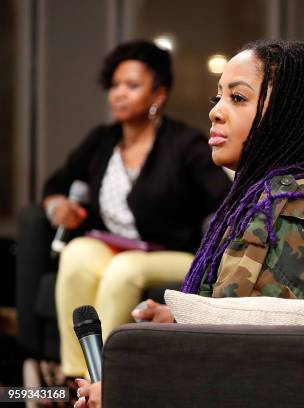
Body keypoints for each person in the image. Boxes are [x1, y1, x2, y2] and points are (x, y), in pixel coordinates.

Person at [74, 39, 304, 407]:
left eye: (237, 99)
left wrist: (126, 391)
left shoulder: (285, 214)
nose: (216, 112)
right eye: (218, 98)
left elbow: (231, 366)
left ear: (286, 114)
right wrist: (185, 319)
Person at [46, 40, 231, 384]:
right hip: (112, 245)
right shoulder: (102, 140)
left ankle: (104, 380)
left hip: (176, 252)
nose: (119, 94)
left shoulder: (184, 143)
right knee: (75, 253)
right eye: (115, 85)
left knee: (122, 270)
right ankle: (74, 377)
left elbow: (227, 199)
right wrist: (59, 207)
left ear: (158, 95)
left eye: (131, 86)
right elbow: (55, 185)